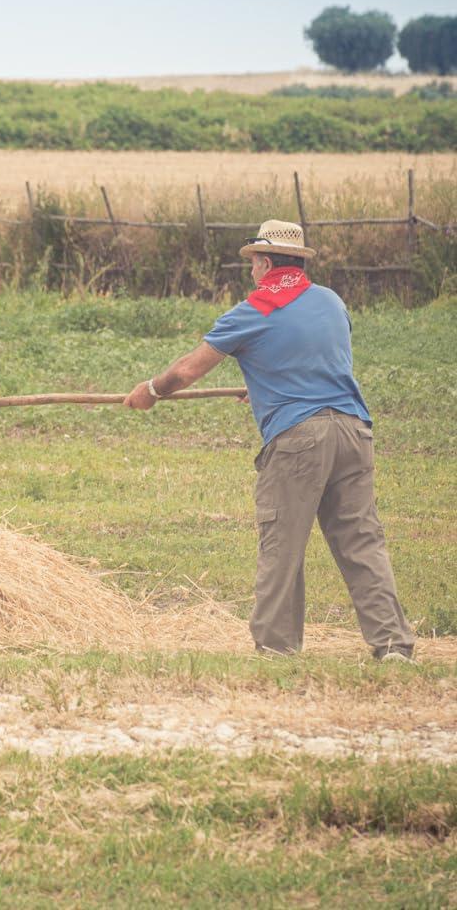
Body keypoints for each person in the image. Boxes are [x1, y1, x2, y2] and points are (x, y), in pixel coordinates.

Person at [123, 219, 415, 662]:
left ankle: (277, 649)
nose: (252, 272)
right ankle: (393, 645)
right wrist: (264, 380)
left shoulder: (254, 309)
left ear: (263, 263)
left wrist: (151, 391)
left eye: (253, 264)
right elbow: (314, 356)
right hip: (354, 430)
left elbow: (186, 371)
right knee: (362, 541)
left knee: (283, 544)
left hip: (299, 438)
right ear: (297, 261)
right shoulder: (331, 302)